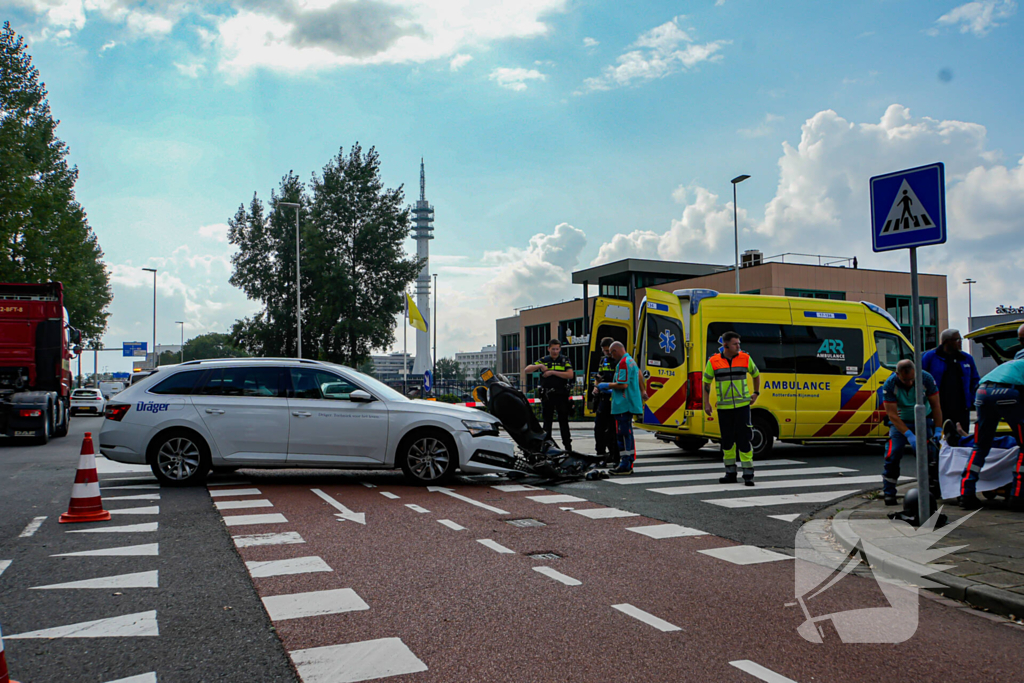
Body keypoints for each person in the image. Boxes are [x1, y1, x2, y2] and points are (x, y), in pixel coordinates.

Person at [959, 358, 1024, 510]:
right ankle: (1018, 496)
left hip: (982, 392)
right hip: (1008, 393)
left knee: (980, 445)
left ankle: (966, 494)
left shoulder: (1013, 364)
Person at [881, 359, 943, 506]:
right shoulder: (890, 384)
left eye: (911, 379)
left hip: (923, 420)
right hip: (900, 422)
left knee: (929, 455)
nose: (909, 383)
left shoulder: (925, 378)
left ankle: (930, 489)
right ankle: (889, 492)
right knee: (893, 453)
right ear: (897, 374)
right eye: (905, 379)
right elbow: (892, 415)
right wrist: (909, 435)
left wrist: (938, 429)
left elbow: (936, 406)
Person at [702, 331, 761, 486]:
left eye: (738, 343)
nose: (738, 346)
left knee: (745, 439)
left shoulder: (745, 358)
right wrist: (706, 403)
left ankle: (748, 474)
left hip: (742, 407)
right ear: (725, 345)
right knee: (727, 441)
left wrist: (756, 393)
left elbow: (756, 374)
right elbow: (706, 383)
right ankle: (730, 473)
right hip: (724, 408)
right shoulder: (713, 361)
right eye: (735, 344)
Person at [598, 341, 645, 475]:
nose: (611, 357)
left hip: (623, 404)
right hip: (629, 402)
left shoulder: (623, 363)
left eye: (612, 354)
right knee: (627, 434)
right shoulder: (631, 361)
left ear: (615, 351)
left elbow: (622, 384)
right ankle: (628, 461)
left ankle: (625, 464)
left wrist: (606, 385)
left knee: (623, 435)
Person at [922, 328, 980, 434]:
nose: (960, 342)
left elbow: (975, 380)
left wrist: (971, 398)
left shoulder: (966, 358)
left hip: (961, 407)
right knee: (942, 438)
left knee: (962, 436)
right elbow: (921, 378)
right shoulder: (930, 357)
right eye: (957, 339)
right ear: (947, 341)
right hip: (938, 407)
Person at [523, 339, 574, 452]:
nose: (555, 351)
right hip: (548, 396)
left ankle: (568, 448)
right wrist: (540, 365)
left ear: (560, 349)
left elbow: (570, 375)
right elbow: (527, 369)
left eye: (557, 349)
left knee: (563, 423)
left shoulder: (564, 360)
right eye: (553, 349)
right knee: (547, 424)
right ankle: (547, 448)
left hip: (561, 395)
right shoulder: (544, 360)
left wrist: (552, 372)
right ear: (549, 349)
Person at [591, 337, 619, 466]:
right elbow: (600, 376)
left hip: (614, 398)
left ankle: (613, 455)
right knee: (599, 429)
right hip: (603, 398)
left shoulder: (619, 361)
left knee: (612, 431)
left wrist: (606, 385)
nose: (606, 353)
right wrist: (597, 386)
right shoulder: (603, 360)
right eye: (604, 350)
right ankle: (600, 454)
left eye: (608, 350)